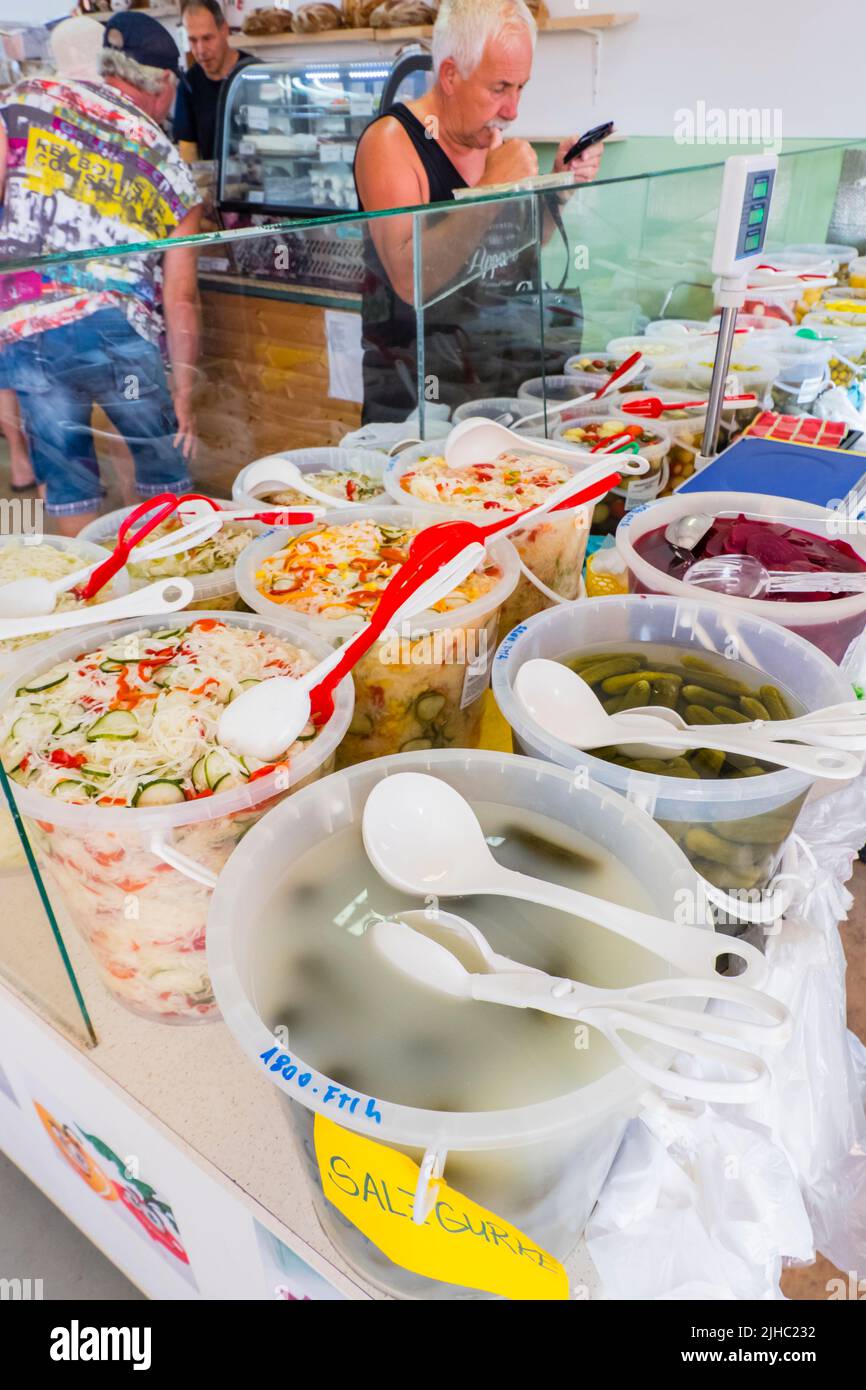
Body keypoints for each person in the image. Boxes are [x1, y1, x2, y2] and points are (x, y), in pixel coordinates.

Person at [353, 0, 604, 423]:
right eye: (499, 88)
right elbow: (410, 281)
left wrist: (558, 189)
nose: (513, 110)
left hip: (501, 375)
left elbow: (514, 249)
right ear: (450, 75)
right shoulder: (392, 143)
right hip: (422, 399)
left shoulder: (489, 138)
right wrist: (491, 189)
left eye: (521, 87)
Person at [0, 12, 202, 535]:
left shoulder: (25, 101)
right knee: (161, 469)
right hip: (119, 334)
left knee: (67, 480)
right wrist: (184, 394)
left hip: (32, 329)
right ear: (162, 85)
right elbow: (182, 299)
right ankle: (161, 588)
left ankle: (91, 600)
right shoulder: (170, 163)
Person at [174, 0, 252, 163]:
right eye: (193, 40)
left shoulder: (253, 73)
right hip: (216, 184)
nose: (201, 50)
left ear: (224, 30)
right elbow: (188, 149)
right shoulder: (189, 84)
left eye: (207, 38)